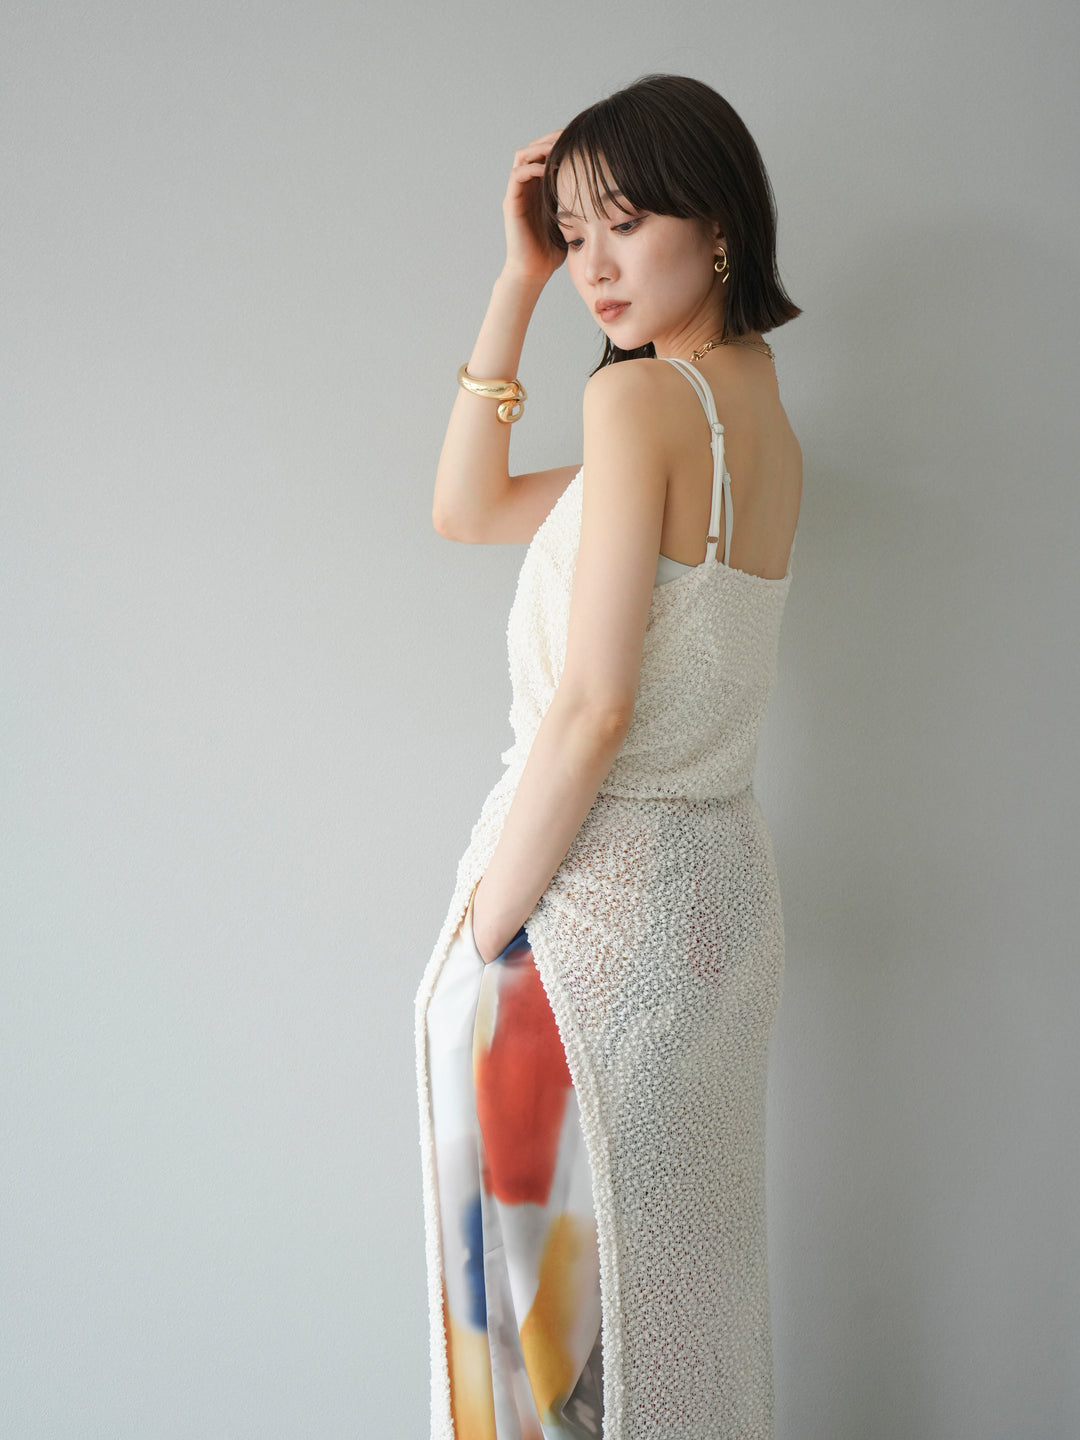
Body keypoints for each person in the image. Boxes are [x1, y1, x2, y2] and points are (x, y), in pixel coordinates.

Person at [414, 72, 802, 1440]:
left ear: (720, 225)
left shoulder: (641, 407)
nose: (592, 266)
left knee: (544, 1358)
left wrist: (482, 929)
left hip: (580, 931)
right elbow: (473, 509)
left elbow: (592, 708)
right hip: (716, 923)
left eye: (624, 225)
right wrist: (516, 280)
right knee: (672, 1318)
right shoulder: (757, 414)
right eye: (572, 236)